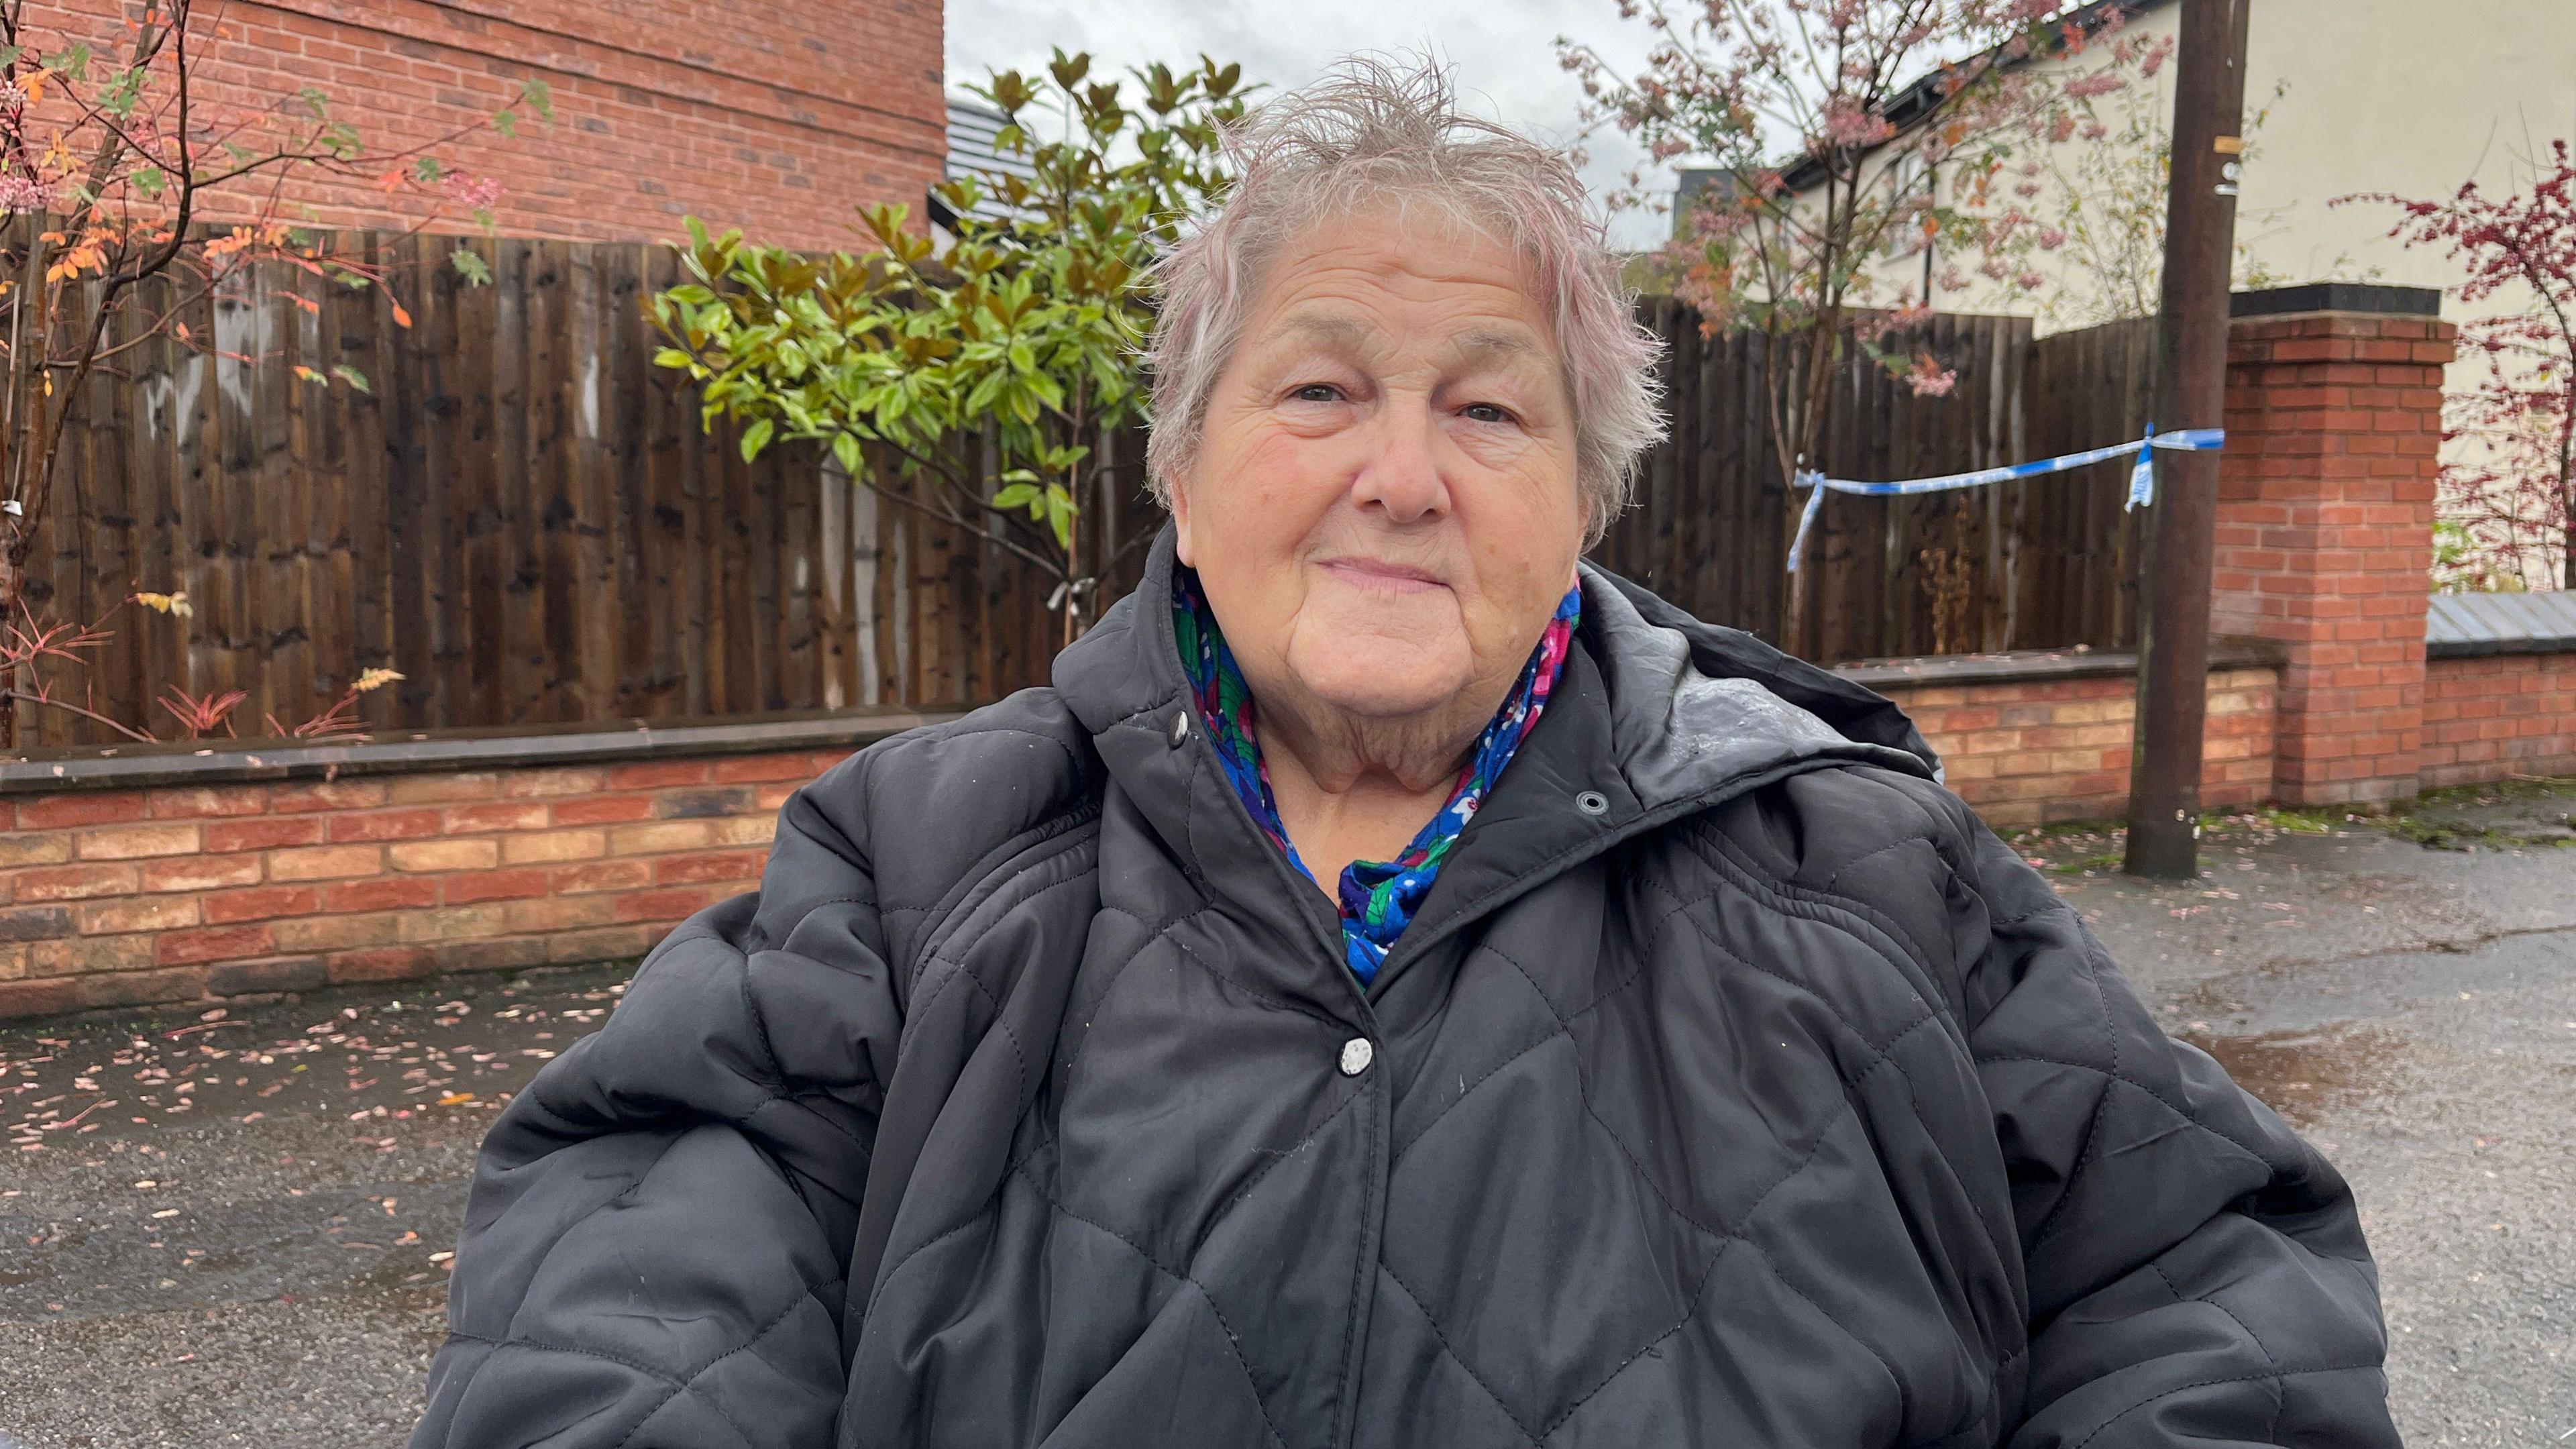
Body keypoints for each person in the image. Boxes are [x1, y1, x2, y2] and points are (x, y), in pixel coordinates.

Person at [411, 60, 2398, 1449]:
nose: (1401, 476)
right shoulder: (915, 862)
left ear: (1588, 498)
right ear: (1181, 471)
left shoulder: (1862, 872)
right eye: (1321, 387)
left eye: (1489, 411)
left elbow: (2209, 1284)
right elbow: (638, 1282)